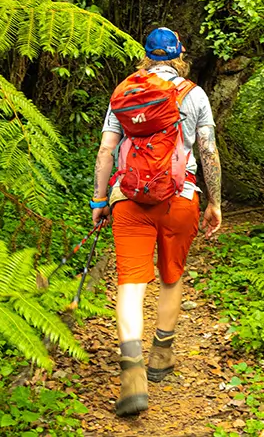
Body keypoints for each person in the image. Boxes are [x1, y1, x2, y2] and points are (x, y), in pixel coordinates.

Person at [90, 27, 223, 417]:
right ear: (179, 53)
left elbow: (105, 150)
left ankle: (131, 372)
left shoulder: (125, 92)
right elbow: (208, 151)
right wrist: (214, 201)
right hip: (181, 198)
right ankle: (161, 354)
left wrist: (100, 200)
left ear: (146, 55)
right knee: (170, 277)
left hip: (128, 200)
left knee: (130, 283)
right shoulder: (193, 93)